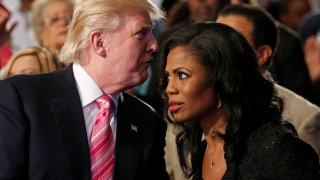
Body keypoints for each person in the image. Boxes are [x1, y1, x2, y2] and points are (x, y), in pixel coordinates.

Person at [0, 0, 169, 179]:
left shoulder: (148, 121)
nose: (154, 45)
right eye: (141, 33)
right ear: (99, 42)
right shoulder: (21, 99)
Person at [160, 22, 320, 179]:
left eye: (182, 75)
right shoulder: (202, 147)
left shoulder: (278, 150)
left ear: (222, 79)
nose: (170, 88)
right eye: (168, 76)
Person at [216, 3, 320, 157]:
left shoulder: (303, 118)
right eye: (213, 40)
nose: (216, 50)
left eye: (230, 41)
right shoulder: (195, 102)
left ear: (261, 54)